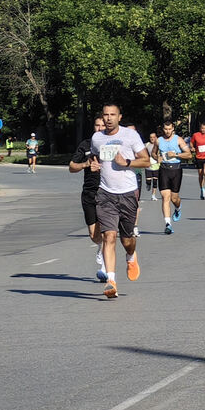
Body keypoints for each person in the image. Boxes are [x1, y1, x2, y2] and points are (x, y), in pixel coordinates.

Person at [89, 103, 150, 298]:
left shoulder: (130, 136)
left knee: (127, 240)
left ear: (119, 117)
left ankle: (131, 257)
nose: (108, 118)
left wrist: (128, 162)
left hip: (128, 193)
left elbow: (146, 160)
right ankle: (111, 281)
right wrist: (94, 164)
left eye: (112, 115)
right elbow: (95, 156)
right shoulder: (97, 138)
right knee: (109, 236)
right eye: (105, 115)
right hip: (106, 193)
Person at [69, 115, 108, 281]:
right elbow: (71, 167)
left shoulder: (112, 144)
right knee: (94, 234)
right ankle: (100, 247)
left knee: (108, 231)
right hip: (89, 193)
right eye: (97, 125)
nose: (99, 128)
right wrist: (86, 164)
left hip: (107, 192)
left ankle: (106, 269)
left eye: (102, 126)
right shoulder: (86, 145)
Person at [153, 120, 192, 235]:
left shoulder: (178, 139)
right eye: (165, 129)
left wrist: (176, 154)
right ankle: (168, 224)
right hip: (164, 169)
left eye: (169, 129)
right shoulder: (158, 140)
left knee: (174, 198)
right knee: (166, 197)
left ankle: (178, 208)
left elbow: (189, 154)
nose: (167, 131)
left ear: (173, 129)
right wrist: (157, 158)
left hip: (176, 170)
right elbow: (153, 153)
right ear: (163, 129)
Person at [145, 132, 161, 201]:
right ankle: (148, 184)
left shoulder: (159, 145)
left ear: (156, 138)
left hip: (156, 165)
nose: (152, 139)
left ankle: (153, 195)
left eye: (153, 137)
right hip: (149, 165)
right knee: (149, 180)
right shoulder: (147, 145)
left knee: (155, 181)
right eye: (151, 137)